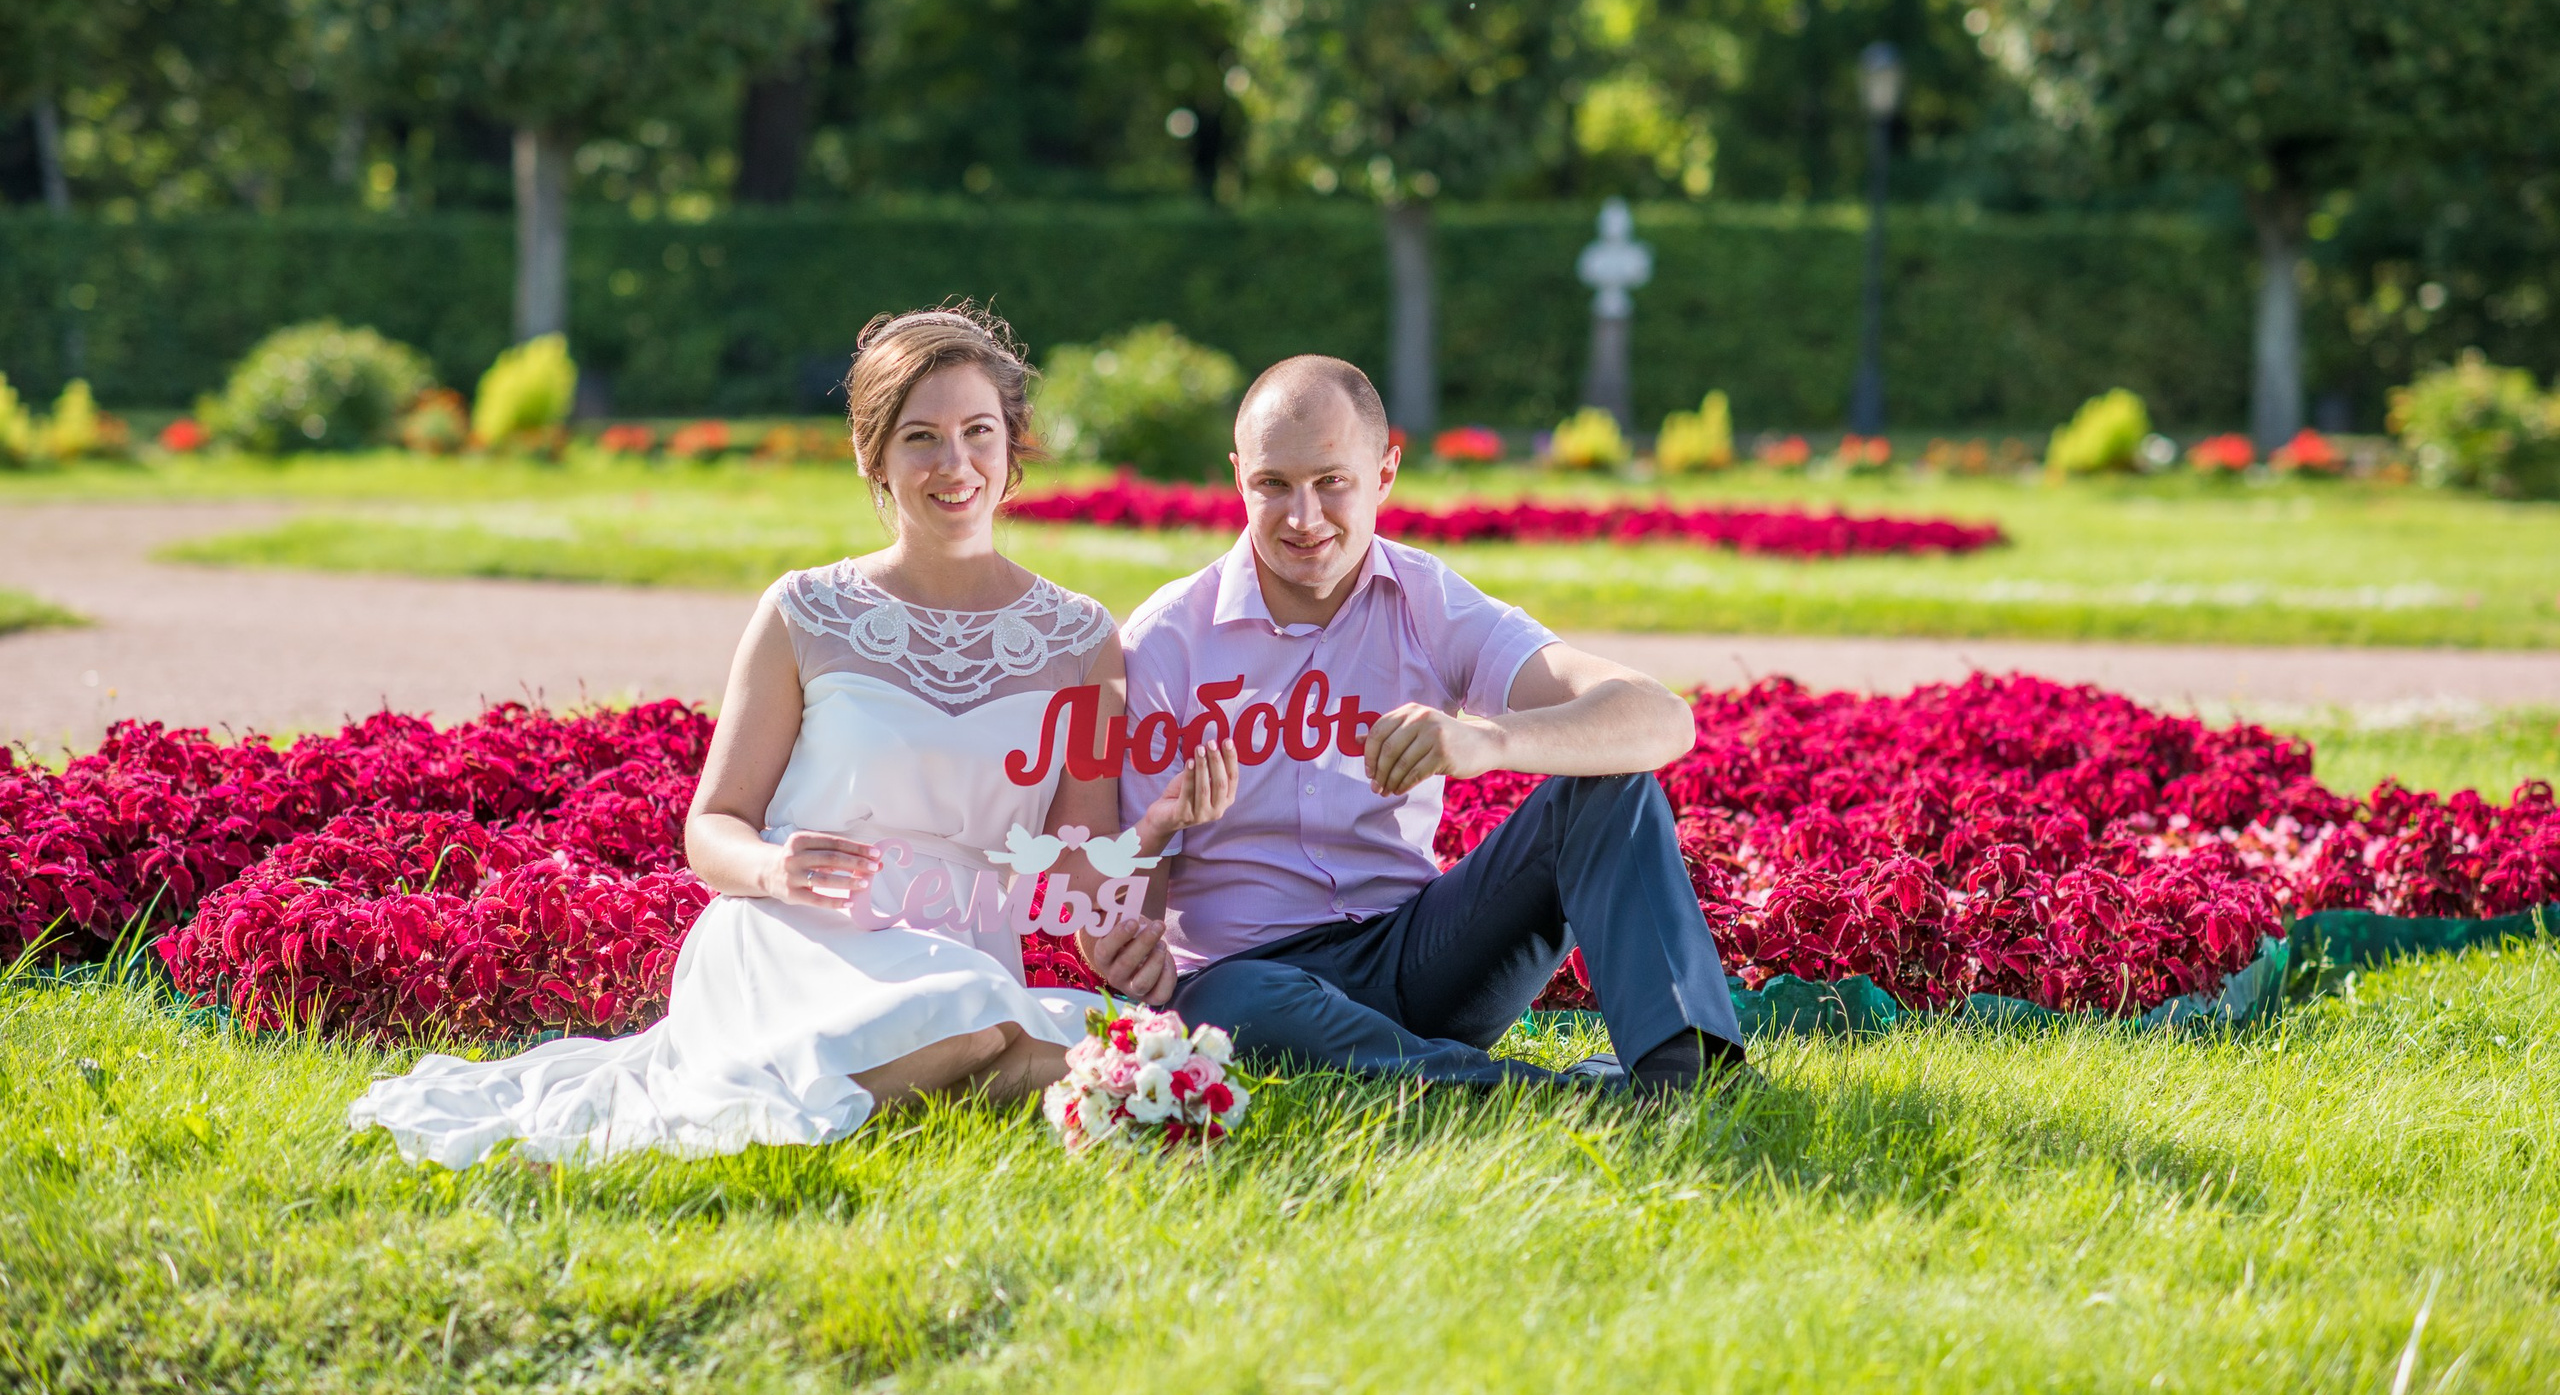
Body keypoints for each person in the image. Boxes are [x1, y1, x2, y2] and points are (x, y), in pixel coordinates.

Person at [348, 306, 1237, 1166]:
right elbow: (713, 827)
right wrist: (775, 869)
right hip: (797, 932)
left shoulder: (1081, 639)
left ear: (1012, 448)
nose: (954, 462)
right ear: (873, 457)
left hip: (962, 950)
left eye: (977, 432)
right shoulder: (805, 611)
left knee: (1004, 1011)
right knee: (992, 1022)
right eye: (920, 436)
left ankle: (897, 1085)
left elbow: (1073, 870)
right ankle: (810, 1097)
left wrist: (1154, 836)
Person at [1083, 355, 1745, 1094]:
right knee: (1229, 1013)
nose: (1303, 518)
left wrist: (1490, 741)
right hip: (1253, 980)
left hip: (1421, 959)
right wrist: (1128, 922)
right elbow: (1119, 912)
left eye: (1332, 481)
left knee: (1607, 795)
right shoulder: (1166, 641)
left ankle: (1683, 1072)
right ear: (1240, 477)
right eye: (1274, 484)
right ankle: (1549, 1094)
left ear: (1386, 473)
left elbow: (1660, 717)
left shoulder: (1427, 599)